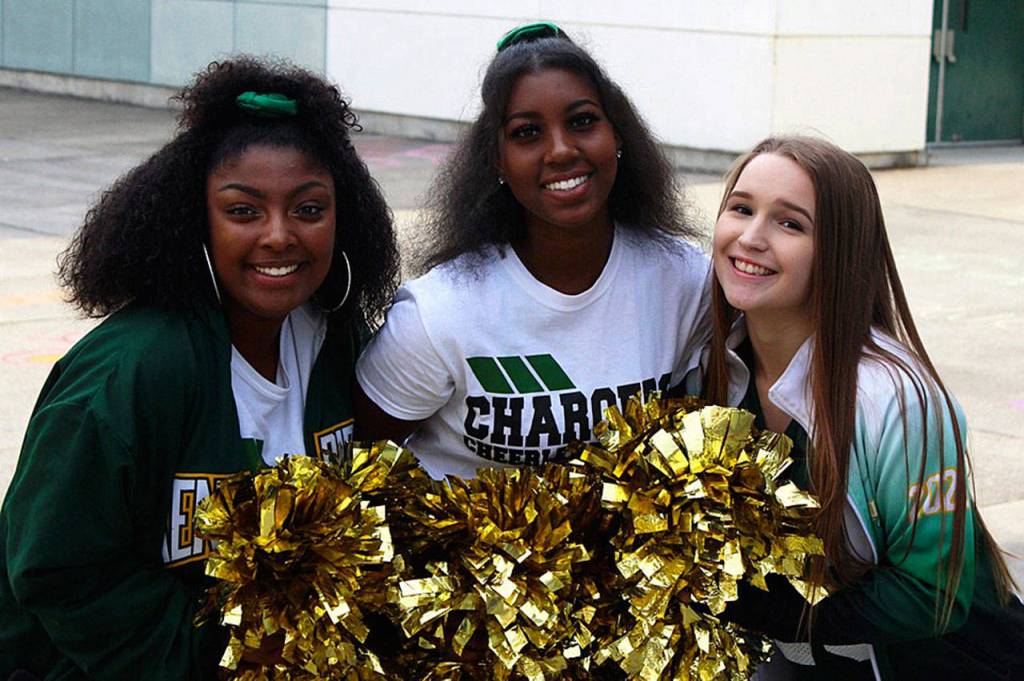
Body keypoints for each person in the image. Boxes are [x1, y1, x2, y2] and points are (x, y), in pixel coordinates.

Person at [0, 58, 399, 680]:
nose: (278, 236)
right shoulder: (131, 372)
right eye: (243, 211)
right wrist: (222, 660)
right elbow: (55, 569)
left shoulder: (335, 339)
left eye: (309, 209)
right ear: (197, 222)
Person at [686, 135, 1023, 679]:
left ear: (839, 251)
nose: (750, 237)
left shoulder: (897, 398)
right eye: (741, 209)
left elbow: (933, 594)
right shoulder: (709, 365)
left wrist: (777, 612)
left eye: (789, 224)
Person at [354, 22, 710, 479]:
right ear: (498, 160)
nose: (561, 151)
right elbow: (359, 461)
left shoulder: (683, 282)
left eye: (582, 122)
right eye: (527, 133)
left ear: (617, 136)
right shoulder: (439, 314)